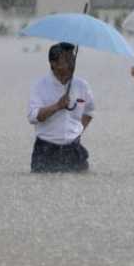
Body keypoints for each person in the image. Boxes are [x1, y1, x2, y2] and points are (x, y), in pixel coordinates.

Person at [27, 42, 95, 172]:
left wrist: (77, 132)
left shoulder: (82, 85)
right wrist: (57, 106)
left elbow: (89, 111)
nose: (71, 63)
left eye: (72, 58)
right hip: (46, 150)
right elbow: (32, 116)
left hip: (73, 149)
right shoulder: (40, 85)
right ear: (54, 63)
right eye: (67, 59)